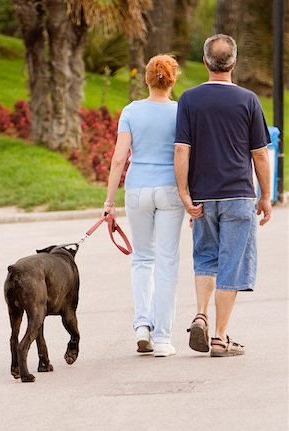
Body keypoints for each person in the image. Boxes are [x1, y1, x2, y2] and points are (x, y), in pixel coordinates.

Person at [174, 34, 272, 357]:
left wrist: (185, 195)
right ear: (234, 62)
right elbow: (259, 154)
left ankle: (200, 313)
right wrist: (266, 196)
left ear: (205, 62)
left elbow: (181, 151)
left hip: (203, 196)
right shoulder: (248, 100)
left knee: (205, 257)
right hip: (238, 195)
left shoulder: (189, 100)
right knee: (231, 264)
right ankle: (219, 337)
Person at [103, 54, 184, 357]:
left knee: (142, 260)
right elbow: (184, 153)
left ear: (147, 79)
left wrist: (110, 202)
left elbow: (118, 160)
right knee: (166, 262)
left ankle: (141, 326)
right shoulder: (180, 112)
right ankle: (162, 338)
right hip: (170, 191)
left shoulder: (131, 111)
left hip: (137, 190)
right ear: (172, 79)